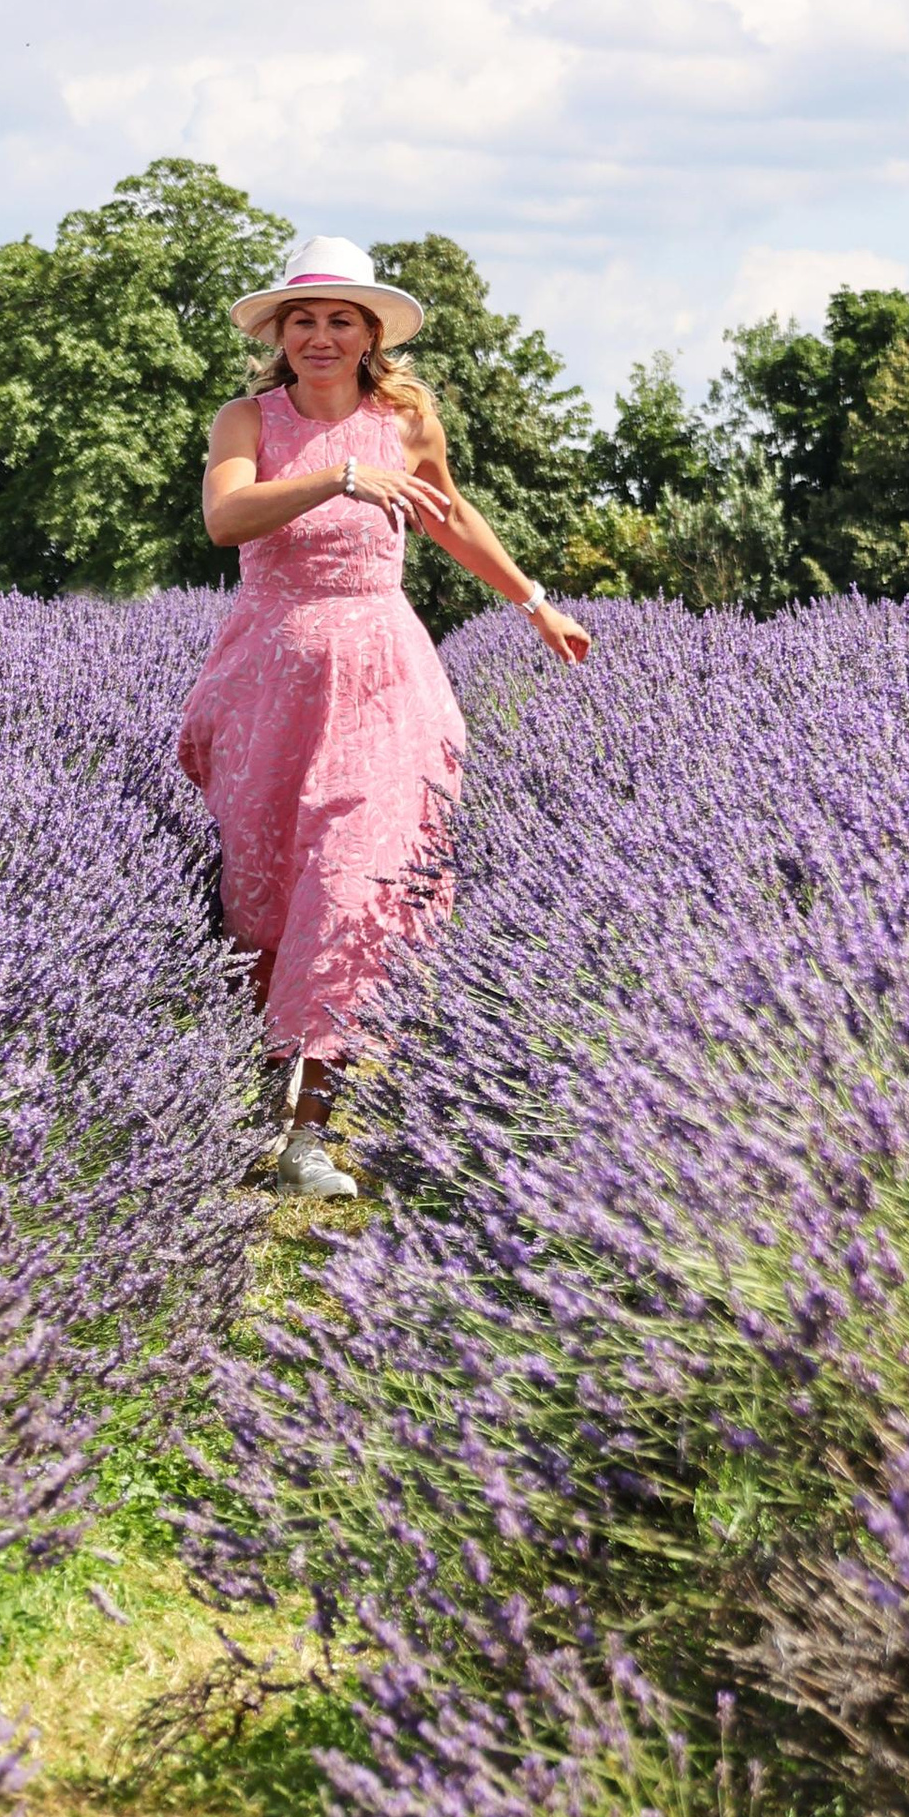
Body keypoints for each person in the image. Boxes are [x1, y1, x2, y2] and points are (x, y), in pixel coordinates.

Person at [177, 233, 590, 1200]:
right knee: (265, 899)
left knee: (355, 882)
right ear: (280, 333)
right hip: (273, 678)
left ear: (371, 336)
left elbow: (448, 515)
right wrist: (338, 478)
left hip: (386, 678)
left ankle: (309, 1134)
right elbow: (226, 520)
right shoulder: (247, 420)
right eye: (304, 320)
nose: (321, 336)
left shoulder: (405, 419)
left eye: (341, 321)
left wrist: (534, 603)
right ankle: (248, 1099)